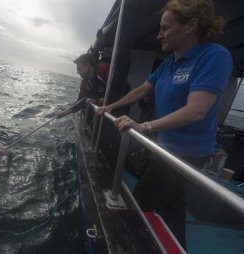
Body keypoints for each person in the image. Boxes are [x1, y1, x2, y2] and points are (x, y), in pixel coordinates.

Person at [97, 0, 232, 249]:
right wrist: (111, 107)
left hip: (187, 154)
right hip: (168, 145)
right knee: (172, 204)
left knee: (139, 202)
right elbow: (141, 90)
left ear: (190, 26)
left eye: (165, 28)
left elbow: (197, 110)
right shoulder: (170, 62)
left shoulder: (214, 56)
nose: (159, 35)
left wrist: (145, 127)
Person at [57, 53, 109, 118]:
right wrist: (63, 114)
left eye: (79, 68)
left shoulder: (105, 69)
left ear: (87, 66)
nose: (77, 72)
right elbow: (80, 102)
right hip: (103, 111)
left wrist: (98, 101)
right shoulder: (84, 82)